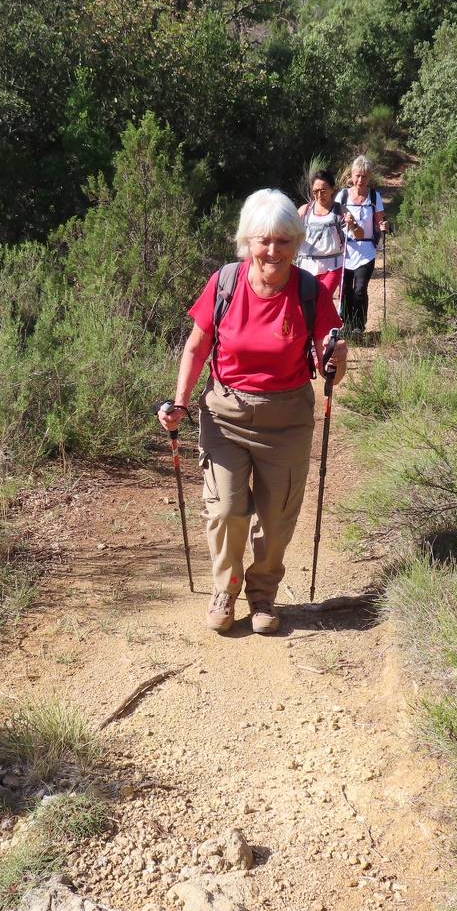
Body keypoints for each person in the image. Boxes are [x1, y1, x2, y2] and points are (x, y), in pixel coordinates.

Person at [158, 189, 348, 635]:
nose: (274, 251)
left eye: (284, 240)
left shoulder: (310, 291)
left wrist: (336, 356)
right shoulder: (224, 282)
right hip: (225, 413)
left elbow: (330, 371)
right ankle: (225, 588)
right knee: (225, 510)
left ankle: (263, 594)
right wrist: (180, 403)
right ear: (248, 241)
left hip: (287, 419)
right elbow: (196, 346)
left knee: (278, 516)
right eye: (264, 240)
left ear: (296, 242)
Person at [335, 156, 389, 335]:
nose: (360, 180)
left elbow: (381, 221)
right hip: (346, 250)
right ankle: (346, 324)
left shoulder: (374, 196)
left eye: (364, 176)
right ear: (351, 175)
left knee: (359, 289)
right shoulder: (342, 196)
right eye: (357, 176)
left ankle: (358, 325)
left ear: (369, 177)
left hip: (366, 250)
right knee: (345, 290)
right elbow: (334, 220)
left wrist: (384, 226)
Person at [296, 168, 356, 307]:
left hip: (333, 266)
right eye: (315, 191)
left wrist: (353, 224)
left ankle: (327, 327)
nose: (319, 195)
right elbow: (290, 233)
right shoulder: (304, 210)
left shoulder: (341, 211)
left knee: (322, 297)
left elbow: (359, 234)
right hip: (307, 265)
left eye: (323, 191)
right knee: (308, 301)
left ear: (332, 190)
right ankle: (321, 327)